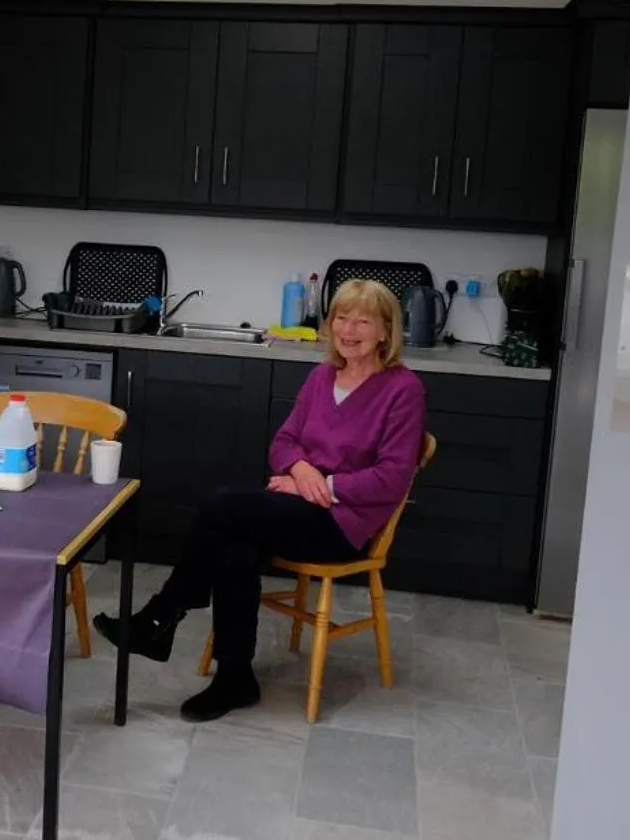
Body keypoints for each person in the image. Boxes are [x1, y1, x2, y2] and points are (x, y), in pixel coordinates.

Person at [94, 279, 426, 722]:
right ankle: (233, 677)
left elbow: (392, 477)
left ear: (386, 330)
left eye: (363, 320)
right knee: (235, 546)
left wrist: (320, 487)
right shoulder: (322, 376)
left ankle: (162, 617)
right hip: (297, 507)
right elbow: (284, 442)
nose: (348, 329)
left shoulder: (402, 390)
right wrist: (302, 470)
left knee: (223, 505)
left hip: (344, 524)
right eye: (340, 317)